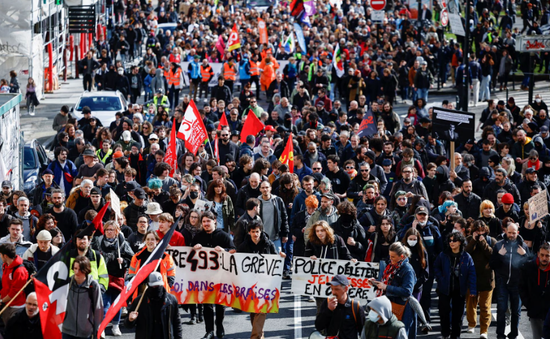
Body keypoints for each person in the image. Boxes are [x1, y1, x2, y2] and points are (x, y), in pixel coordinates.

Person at [233, 220, 286, 339]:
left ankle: (255, 336)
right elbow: (237, 262)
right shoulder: (244, 246)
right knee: (254, 310)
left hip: (265, 284)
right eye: (253, 232)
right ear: (249, 232)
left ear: (261, 231)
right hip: (250, 284)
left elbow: (275, 262)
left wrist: (280, 256)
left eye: (257, 231)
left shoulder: (269, 244)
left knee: (261, 309)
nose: (256, 234)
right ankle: (259, 335)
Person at [191, 211, 235, 339]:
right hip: (204, 275)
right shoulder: (198, 236)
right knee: (207, 304)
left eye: (208, 221)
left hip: (221, 275)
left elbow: (233, 250)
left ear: (214, 221)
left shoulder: (223, 235)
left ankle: (219, 325)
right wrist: (194, 248)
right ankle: (209, 330)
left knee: (220, 303)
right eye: (203, 221)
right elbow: (189, 252)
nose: (205, 224)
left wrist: (224, 251)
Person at [92, 220, 134, 336]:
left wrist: (124, 261)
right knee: (104, 304)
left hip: (118, 278)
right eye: (107, 230)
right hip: (103, 278)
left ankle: (115, 326)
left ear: (116, 231)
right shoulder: (98, 242)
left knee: (117, 304)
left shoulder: (122, 243)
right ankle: (103, 326)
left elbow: (132, 259)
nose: (109, 232)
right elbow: (91, 255)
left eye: (111, 230)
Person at [490, 222, 530, 339]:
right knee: (501, 309)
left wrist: (525, 256)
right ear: (505, 232)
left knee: (516, 311)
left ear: (518, 232)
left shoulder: (523, 246)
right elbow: (492, 264)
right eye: (509, 232)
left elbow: (529, 266)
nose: (512, 235)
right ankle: (500, 334)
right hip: (502, 282)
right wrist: (499, 255)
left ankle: (514, 334)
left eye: (514, 233)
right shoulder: (498, 245)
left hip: (517, 283)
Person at [434, 232, 477, 339]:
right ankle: (445, 333)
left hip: (459, 289)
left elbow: (472, 274)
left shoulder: (466, 257)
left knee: (458, 315)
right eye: (450, 240)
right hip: (444, 288)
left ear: (460, 242)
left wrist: (472, 290)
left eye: (454, 240)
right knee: (443, 312)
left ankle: (455, 335)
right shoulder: (443, 255)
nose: (451, 243)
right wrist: (441, 278)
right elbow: (436, 267)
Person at [371, 242, 417, 339]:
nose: (390, 259)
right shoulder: (392, 266)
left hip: (403, 308)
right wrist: (376, 284)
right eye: (390, 256)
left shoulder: (407, 270)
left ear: (401, 256)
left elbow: (407, 291)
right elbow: (387, 283)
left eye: (393, 257)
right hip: (392, 305)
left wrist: (386, 287)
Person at [125, 272, 183, 339]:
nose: (156, 288)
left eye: (158, 286)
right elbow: (127, 325)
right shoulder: (139, 302)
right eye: (153, 286)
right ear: (148, 285)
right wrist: (130, 320)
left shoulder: (171, 300)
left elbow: (177, 323)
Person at [465, 220, 497, 339]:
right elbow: (465, 254)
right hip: (471, 278)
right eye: (477, 231)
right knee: (470, 304)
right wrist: (473, 240)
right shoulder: (468, 240)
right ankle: (471, 324)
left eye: (482, 231)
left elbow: (493, 256)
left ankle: (484, 330)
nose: (480, 233)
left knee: (485, 307)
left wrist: (483, 243)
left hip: (487, 279)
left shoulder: (491, 241)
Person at [62, 255, 104, 339]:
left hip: (85, 332)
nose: (77, 272)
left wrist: (96, 331)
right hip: (67, 330)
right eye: (75, 268)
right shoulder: (68, 283)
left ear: (86, 270)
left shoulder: (93, 286)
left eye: (80, 269)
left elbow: (98, 310)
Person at [315, 274, 365, 339]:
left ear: (346, 289)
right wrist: (328, 310)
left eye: (337, 289)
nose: (333, 292)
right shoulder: (327, 302)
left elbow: (363, 332)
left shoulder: (355, 306)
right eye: (332, 289)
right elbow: (319, 326)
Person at [128, 231, 176, 298]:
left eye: (152, 239)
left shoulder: (165, 257)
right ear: (145, 241)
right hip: (142, 290)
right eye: (147, 239)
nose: (150, 241)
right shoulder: (137, 257)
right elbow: (131, 274)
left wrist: (167, 286)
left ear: (157, 241)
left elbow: (171, 275)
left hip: (160, 290)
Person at [520, 242, 550, 339]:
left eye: (547, 256)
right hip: (534, 310)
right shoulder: (528, 267)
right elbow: (521, 287)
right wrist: (528, 303)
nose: (544, 258)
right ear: (538, 254)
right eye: (542, 255)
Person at [0, 243, 29, 325]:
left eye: (0, 255)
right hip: (7, 304)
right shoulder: (5, 265)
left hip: (16, 307)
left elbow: (15, 291)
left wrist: (2, 301)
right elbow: (6, 286)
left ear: (5, 256)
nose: (0, 257)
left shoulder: (19, 271)